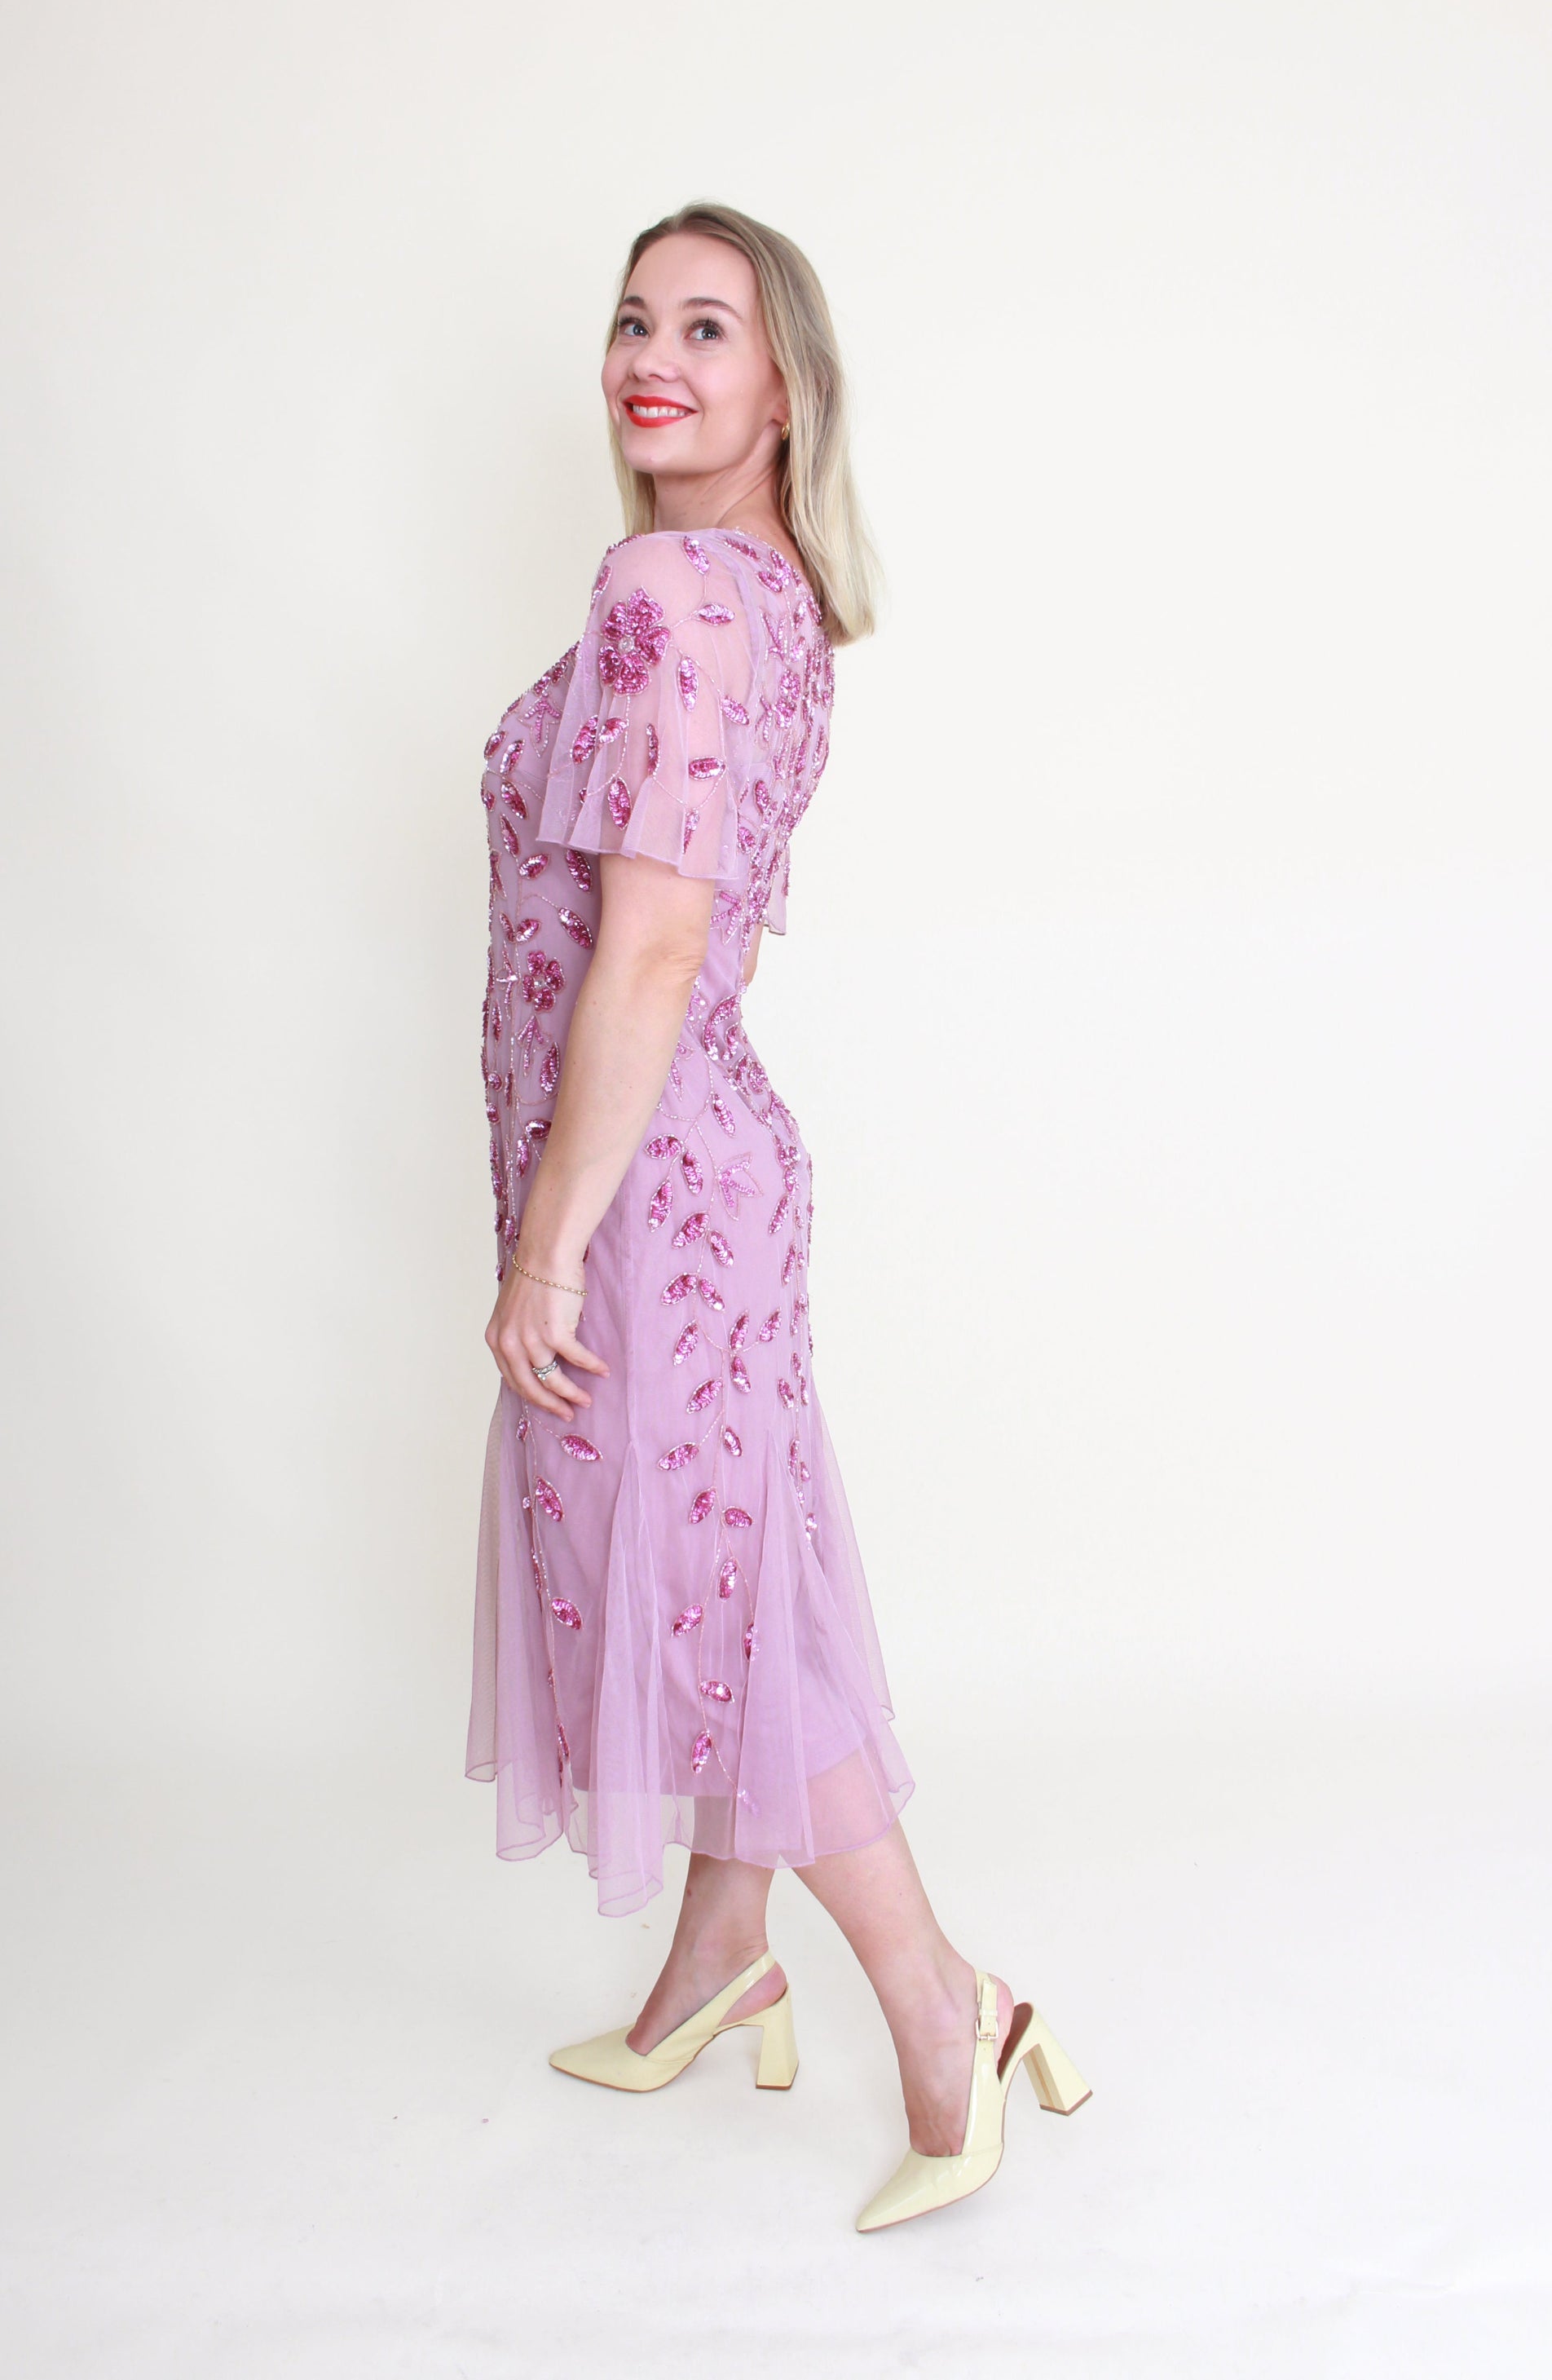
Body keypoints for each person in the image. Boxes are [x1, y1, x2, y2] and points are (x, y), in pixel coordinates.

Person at [467, 203, 1089, 2229]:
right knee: (730, 1574)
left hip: (649, 1188)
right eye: (633, 320)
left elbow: (647, 950)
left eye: (706, 327)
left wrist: (547, 1240)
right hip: (709, 1167)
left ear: (782, 387)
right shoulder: (764, 592)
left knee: (714, 1599)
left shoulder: (664, 583)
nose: (652, 353)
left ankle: (943, 2006)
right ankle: (715, 1956)